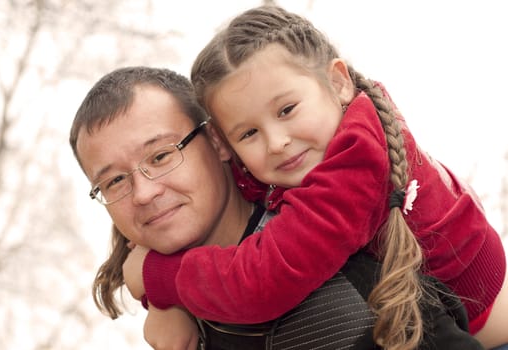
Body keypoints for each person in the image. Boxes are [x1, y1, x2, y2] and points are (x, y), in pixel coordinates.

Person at [123, 5, 508, 350]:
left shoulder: (357, 162)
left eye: (287, 109)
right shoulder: (314, 147)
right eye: (248, 133)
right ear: (225, 144)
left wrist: (159, 277)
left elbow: (262, 281)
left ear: (338, 82)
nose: (276, 142)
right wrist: (165, 304)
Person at [70, 66, 483, 350]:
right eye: (114, 181)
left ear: (216, 141)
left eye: (161, 156)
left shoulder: (338, 273)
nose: (143, 193)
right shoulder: (174, 323)